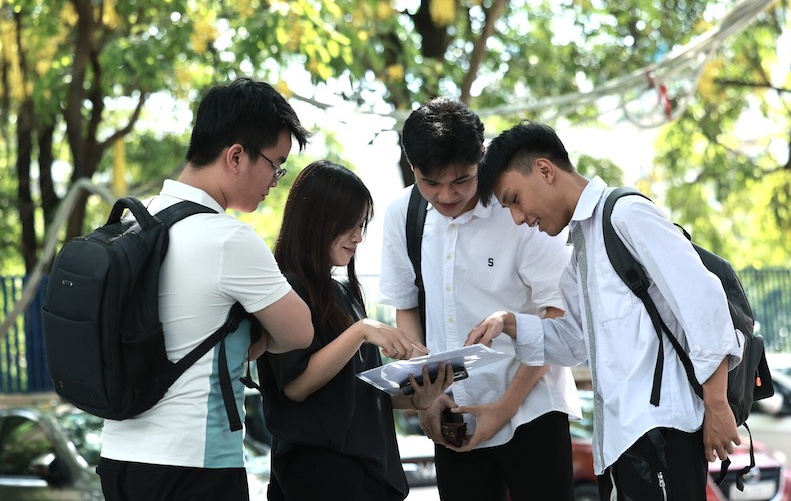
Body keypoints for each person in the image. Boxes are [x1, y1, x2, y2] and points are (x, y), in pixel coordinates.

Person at [468, 120, 744, 500]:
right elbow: (576, 343)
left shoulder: (626, 215)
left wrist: (716, 405)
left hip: (659, 432)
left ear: (545, 170)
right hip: (619, 445)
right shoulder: (580, 250)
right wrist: (510, 323)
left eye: (514, 199)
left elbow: (704, 302)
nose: (519, 218)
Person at [97, 78, 315, 501]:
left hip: (118, 459)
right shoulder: (227, 239)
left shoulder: (129, 228)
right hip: (194, 466)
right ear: (236, 156)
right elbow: (300, 332)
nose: (276, 178)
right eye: (276, 163)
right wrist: (255, 335)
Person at [378, 98, 581, 501]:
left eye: (462, 180)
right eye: (431, 183)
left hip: (531, 411)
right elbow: (407, 307)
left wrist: (504, 408)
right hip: (451, 416)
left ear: (481, 157)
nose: (447, 195)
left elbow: (556, 313)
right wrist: (427, 399)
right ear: (412, 166)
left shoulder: (519, 208)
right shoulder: (404, 214)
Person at [258, 160, 447, 501]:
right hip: (323, 471)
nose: (358, 237)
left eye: (362, 225)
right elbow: (297, 386)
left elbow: (360, 393)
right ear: (317, 219)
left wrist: (419, 397)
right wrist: (361, 331)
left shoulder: (342, 294)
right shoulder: (286, 291)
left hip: (369, 471)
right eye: (349, 224)